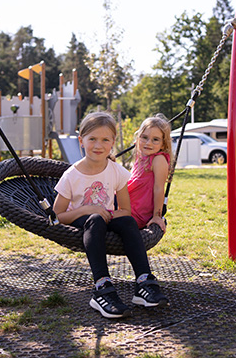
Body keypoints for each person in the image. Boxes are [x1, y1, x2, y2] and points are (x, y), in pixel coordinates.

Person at [53, 112, 168, 319]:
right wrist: (90, 210)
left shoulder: (116, 170)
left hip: (105, 217)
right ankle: (101, 286)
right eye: (92, 139)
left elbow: (124, 209)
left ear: (113, 143)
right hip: (82, 220)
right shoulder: (71, 175)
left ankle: (143, 281)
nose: (99, 145)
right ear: (81, 141)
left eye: (105, 140)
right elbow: (57, 216)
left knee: (127, 221)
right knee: (96, 220)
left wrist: (107, 212)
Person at [128, 114, 172, 233]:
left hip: (137, 214)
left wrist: (157, 216)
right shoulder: (141, 158)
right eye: (144, 137)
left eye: (155, 139)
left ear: (163, 144)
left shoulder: (158, 159)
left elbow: (159, 188)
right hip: (126, 207)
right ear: (138, 138)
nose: (148, 143)